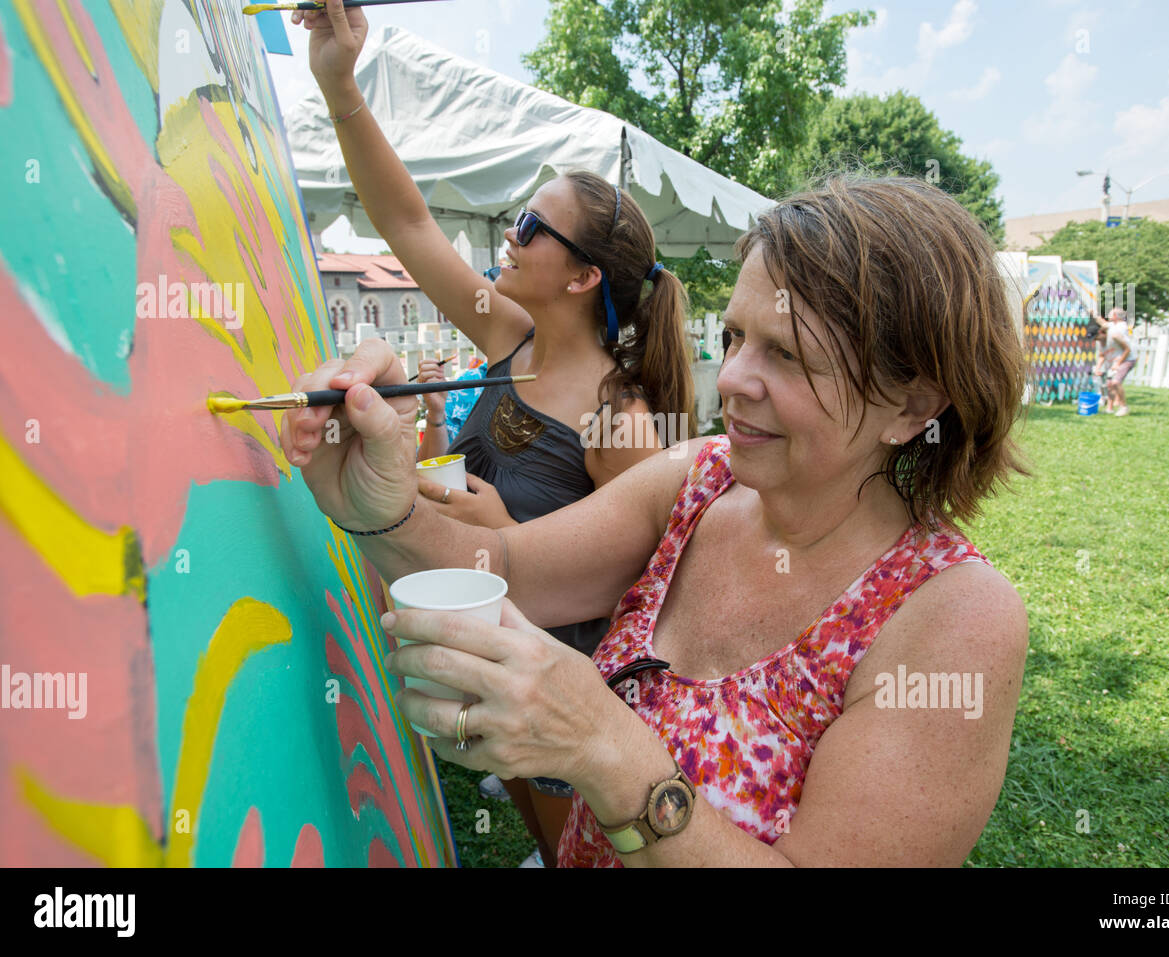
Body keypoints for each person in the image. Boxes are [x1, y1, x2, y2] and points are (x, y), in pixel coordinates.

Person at [280, 171, 1031, 867]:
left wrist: (603, 746)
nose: (732, 378)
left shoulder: (953, 616)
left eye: (789, 355)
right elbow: (502, 568)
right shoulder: (699, 479)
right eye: (735, 337)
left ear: (914, 405)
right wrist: (379, 508)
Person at [290, 0, 696, 867]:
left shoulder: (619, 415)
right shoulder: (506, 334)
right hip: (485, 632)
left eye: (528, 227)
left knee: (579, 839)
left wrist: (498, 529)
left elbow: (641, 582)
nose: (508, 235)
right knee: (524, 803)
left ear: (584, 275)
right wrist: (340, 85)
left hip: (561, 674)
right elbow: (407, 224)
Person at [1103, 308, 1135, 416]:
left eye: (1111, 313)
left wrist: (1117, 363)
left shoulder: (1118, 331)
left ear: (1116, 316)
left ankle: (1123, 407)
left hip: (1127, 359)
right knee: (1110, 384)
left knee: (1116, 382)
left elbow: (1127, 350)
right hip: (1117, 359)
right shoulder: (1114, 325)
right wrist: (1092, 314)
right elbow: (1103, 323)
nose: (1108, 314)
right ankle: (1109, 408)